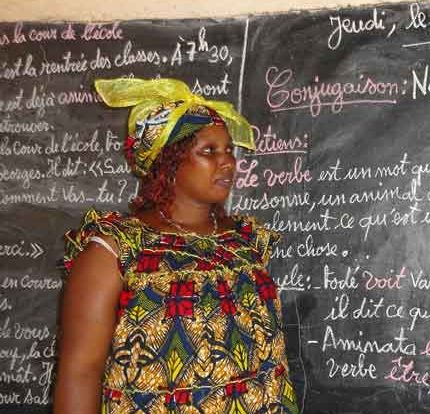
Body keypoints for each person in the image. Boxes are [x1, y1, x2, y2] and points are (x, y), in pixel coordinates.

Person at [54, 78, 299, 414]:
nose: (227, 162)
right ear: (168, 164)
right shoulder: (117, 249)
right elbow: (80, 372)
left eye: (229, 149)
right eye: (208, 151)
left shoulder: (244, 242)